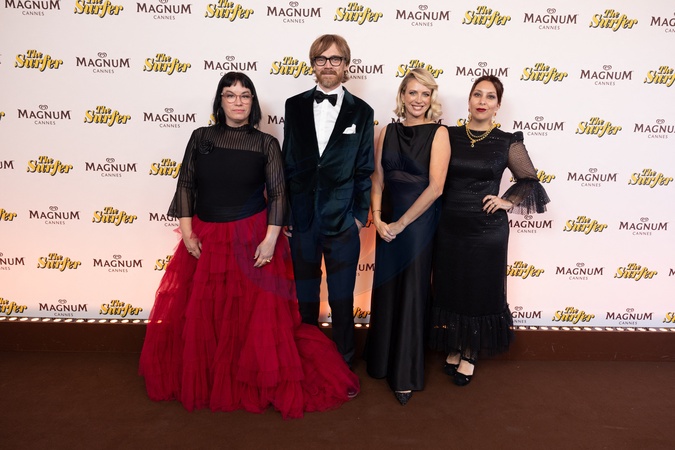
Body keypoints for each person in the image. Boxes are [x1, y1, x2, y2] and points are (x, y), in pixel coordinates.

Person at [138, 72, 359, 419]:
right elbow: (186, 186)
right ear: (220, 101)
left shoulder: (266, 143)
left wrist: (270, 240)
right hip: (206, 238)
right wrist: (188, 232)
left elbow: (279, 194)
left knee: (251, 316)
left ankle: (250, 379)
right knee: (207, 314)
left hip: (252, 238)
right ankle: (213, 378)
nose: (238, 101)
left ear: (253, 102)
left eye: (245, 95)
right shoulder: (200, 137)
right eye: (230, 95)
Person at [430, 75, 550, 386]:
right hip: (449, 226)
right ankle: (455, 345)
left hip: (486, 231)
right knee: (452, 287)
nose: (482, 101)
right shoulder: (448, 135)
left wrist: (506, 201)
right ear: (469, 100)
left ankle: (470, 351)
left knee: (479, 290)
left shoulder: (507, 141)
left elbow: (529, 180)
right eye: (477, 94)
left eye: (490, 97)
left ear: (498, 105)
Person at [282, 34, 375, 368]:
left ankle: (344, 363)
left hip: (343, 221)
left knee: (341, 299)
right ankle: (307, 362)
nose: (328, 65)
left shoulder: (362, 112)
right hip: (302, 220)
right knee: (305, 298)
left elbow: (364, 168)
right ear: (313, 64)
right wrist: (287, 213)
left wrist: (358, 216)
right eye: (321, 59)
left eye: (335, 59)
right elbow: (288, 160)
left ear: (346, 64)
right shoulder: (293, 106)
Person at [365, 69, 450, 406]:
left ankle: (405, 373)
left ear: (431, 99)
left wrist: (401, 223)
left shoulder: (439, 133)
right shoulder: (387, 131)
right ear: (402, 95)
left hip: (417, 225)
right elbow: (377, 179)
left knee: (413, 291)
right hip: (387, 223)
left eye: (425, 94)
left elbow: (436, 188)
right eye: (412, 92)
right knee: (386, 289)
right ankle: (381, 362)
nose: (418, 100)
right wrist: (378, 218)